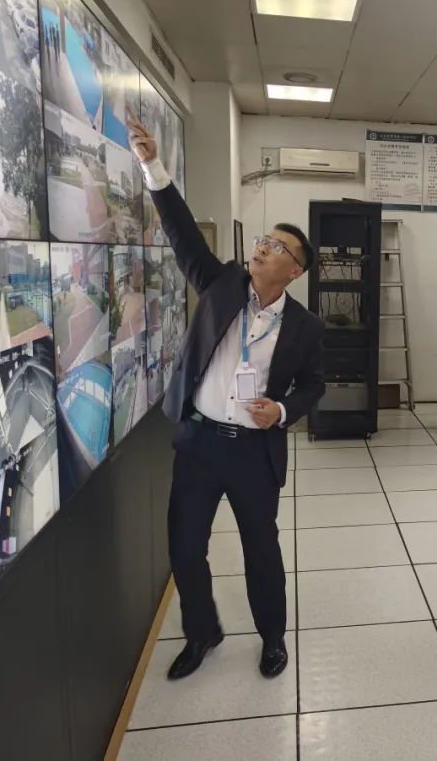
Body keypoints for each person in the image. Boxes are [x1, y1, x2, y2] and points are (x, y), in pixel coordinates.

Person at [127, 113, 325, 681]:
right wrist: (152, 166)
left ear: (295, 270)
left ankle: (272, 638)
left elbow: (314, 386)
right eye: (263, 240)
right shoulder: (220, 285)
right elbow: (182, 233)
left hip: (253, 452)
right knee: (185, 548)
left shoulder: (306, 328)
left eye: (277, 247)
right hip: (198, 443)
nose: (262, 248)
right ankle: (202, 633)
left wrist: (282, 410)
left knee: (261, 549)